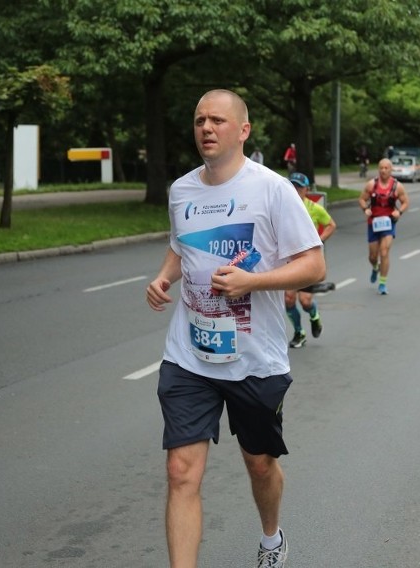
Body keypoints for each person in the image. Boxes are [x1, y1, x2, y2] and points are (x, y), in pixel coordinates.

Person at [146, 89, 325, 568]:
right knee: (181, 471)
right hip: (189, 353)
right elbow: (181, 248)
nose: (206, 128)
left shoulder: (271, 189)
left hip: (254, 357)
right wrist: (165, 276)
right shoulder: (182, 190)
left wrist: (254, 280)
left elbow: (314, 265)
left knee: (259, 463)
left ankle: (271, 539)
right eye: (199, 119)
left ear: (243, 130)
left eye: (218, 120)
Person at [285, 172, 336, 348]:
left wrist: (319, 240)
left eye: (300, 187)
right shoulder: (284, 208)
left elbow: (331, 225)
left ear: (307, 189)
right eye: (293, 186)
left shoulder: (314, 208)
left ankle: (314, 315)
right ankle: (299, 332)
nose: (296, 190)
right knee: (289, 299)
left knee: (305, 301)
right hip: (290, 261)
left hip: (307, 261)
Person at [357, 158, 410, 295]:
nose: (383, 170)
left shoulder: (397, 186)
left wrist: (399, 212)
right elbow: (362, 199)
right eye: (381, 168)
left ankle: (382, 283)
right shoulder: (371, 185)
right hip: (373, 223)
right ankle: (375, 267)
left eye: (386, 168)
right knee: (373, 256)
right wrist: (365, 209)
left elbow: (405, 202)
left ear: (391, 170)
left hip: (388, 223)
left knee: (384, 252)